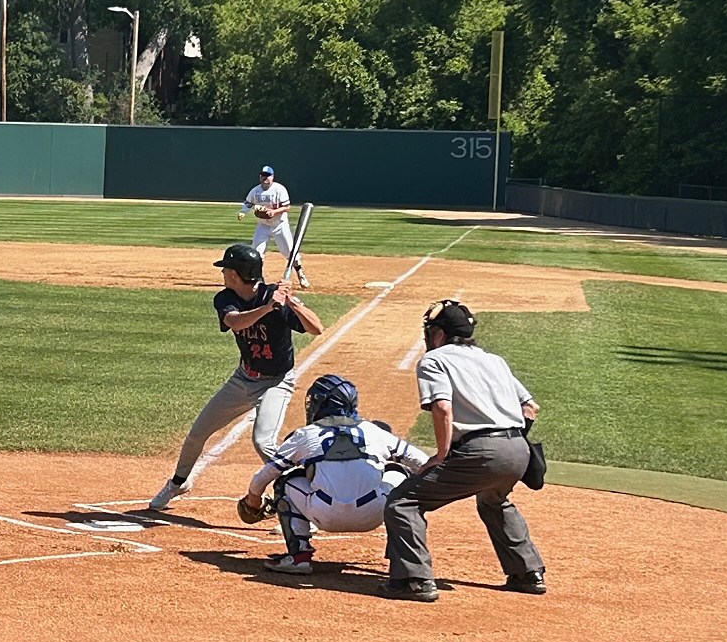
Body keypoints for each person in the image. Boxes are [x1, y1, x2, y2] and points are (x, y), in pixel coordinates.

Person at [381, 299, 546, 602]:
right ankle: (527, 573)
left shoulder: (435, 360)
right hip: (517, 451)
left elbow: (443, 407)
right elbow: (529, 408)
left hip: (479, 453)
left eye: (429, 331)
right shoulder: (494, 360)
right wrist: (509, 445)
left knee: (403, 501)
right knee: (494, 501)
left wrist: (442, 455)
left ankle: (414, 580)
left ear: (440, 334)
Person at [146, 242, 323, 511]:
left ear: (236, 275)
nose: (222, 274)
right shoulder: (225, 299)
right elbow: (236, 322)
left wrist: (292, 303)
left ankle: (301, 500)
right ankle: (178, 482)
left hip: (276, 381)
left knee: (263, 441)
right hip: (243, 378)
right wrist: (267, 308)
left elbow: (316, 328)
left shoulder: (276, 297)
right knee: (198, 432)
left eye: (225, 270)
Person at [238, 374, 428, 575]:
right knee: (400, 473)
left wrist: (253, 501)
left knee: (285, 482)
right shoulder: (374, 431)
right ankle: (398, 558)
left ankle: (298, 557)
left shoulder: (305, 434)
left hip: (324, 515)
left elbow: (265, 475)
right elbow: (422, 463)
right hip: (373, 514)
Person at [242, 165, 308, 287]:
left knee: (289, 251)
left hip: (279, 225)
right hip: (263, 226)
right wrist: (243, 212)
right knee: (257, 252)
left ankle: (301, 275)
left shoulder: (279, 189)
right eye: (263, 175)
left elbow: (287, 207)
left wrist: (274, 212)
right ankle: (258, 280)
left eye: (267, 176)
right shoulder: (255, 190)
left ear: (272, 177)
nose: (265, 178)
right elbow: (248, 203)